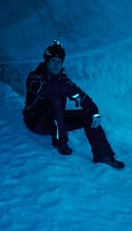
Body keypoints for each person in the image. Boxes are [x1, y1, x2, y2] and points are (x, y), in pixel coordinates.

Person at [22, 40, 125, 169]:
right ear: (46, 62)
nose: (56, 65)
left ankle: (104, 156)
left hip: (56, 120)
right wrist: (69, 90)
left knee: (88, 115)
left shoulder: (63, 80)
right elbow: (46, 90)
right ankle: (61, 142)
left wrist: (94, 110)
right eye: (53, 61)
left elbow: (80, 95)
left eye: (59, 62)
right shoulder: (34, 77)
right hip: (36, 123)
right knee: (54, 99)